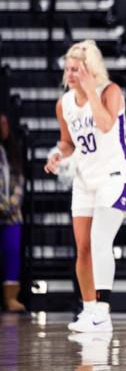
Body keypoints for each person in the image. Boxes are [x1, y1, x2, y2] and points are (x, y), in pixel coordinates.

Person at [44, 40, 126, 332]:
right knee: (83, 249)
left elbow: (106, 125)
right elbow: (67, 142)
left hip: (114, 176)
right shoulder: (64, 103)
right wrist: (57, 155)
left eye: (76, 69)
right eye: (68, 69)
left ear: (90, 69)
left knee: (100, 241)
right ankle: (89, 309)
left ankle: (103, 312)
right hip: (84, 180)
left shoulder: (110, 91)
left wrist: (90, 91)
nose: (70, 74)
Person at [0, 112, 25, 312]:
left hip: (11, 215)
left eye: (6, 124)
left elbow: (19, 181)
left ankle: (11, 297)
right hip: (3, 209)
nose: (4, 127)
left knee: (12, 253)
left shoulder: (11, 153)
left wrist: (10, 206)